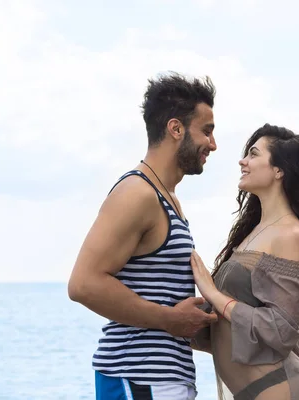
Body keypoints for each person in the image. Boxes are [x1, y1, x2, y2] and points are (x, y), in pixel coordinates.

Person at [68, 72, 219, 400]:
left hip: (159, 380)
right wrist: (170, 319)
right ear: (176, 128)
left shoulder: (168, 198)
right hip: (137, 379)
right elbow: (83, 284)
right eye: (206, 131)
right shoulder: (138, 193)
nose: (213, 144)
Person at [189, 123, 299, 400]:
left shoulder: (290, 233)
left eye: (253, 154)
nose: (243, 161)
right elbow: (232, 323)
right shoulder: (254, 231)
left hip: (283, 390)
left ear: (278, 170)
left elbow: (280, 328)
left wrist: (212, 293)